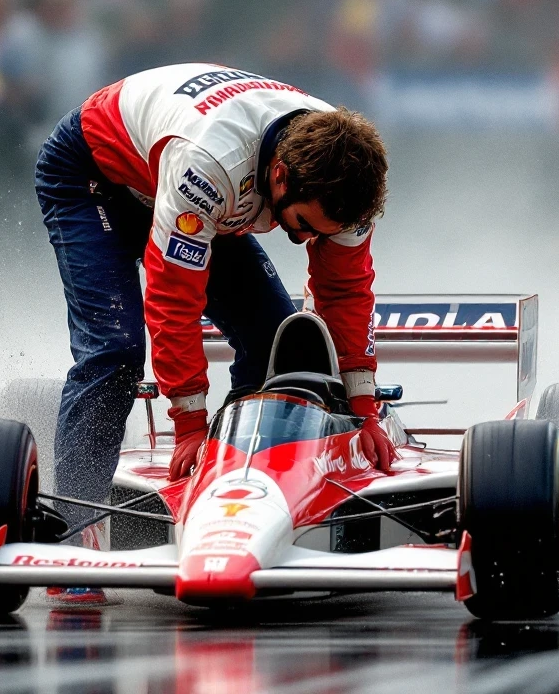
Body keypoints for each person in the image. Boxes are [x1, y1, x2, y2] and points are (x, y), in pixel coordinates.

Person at [35, 63, 396, 603]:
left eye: (320, 234)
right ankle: (75, 542)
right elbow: (173, 298)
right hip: (94, 176)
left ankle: (239, 501)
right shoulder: (213, 165)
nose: (304, 241)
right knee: (115, 351)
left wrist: (365, 410)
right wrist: (188, 423)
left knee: (277, 345)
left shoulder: (346, 185)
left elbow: (344, 294)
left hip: (190, 187)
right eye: (302, 225)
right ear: (280, 177)